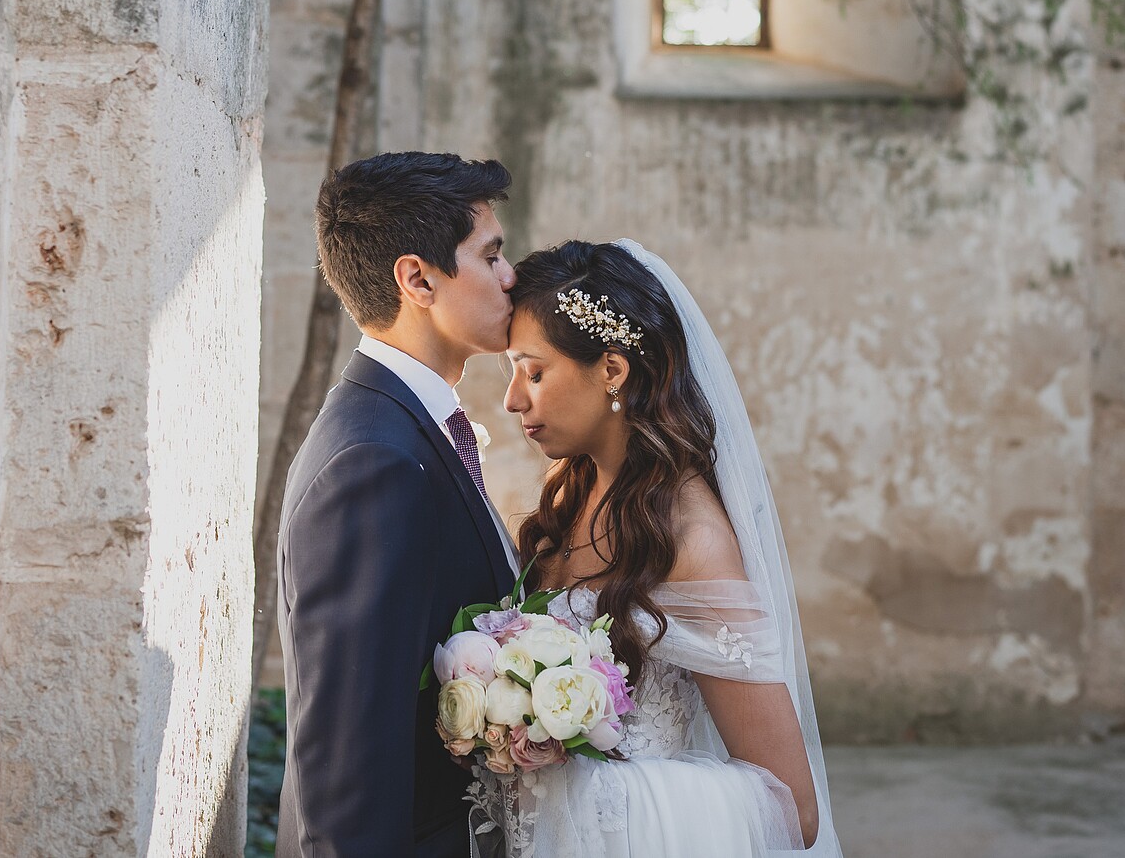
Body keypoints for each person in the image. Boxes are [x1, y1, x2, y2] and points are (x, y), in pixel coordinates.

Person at [494, 239, 841, 856]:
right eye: (512, 372)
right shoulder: (570, 490)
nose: (514, 399)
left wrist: (592, 798)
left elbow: (794, 805)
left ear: (612, 370)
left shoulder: (691, 538)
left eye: (535, 371)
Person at [276, 152, 521, 858]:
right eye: (492, 255)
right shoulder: (375, 460)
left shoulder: (408, 427)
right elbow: (346, 755)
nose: (511, 276)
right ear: (417, 278)